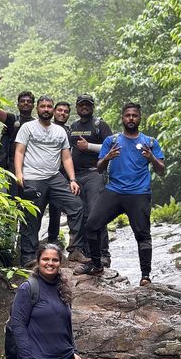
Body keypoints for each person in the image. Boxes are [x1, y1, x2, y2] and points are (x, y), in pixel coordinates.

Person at [83, 102, 165, 284]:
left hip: (139, 194)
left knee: (143, 235)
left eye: (134, 116)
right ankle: (96, 265)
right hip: (114, 191)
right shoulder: (111, 141)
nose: (131, 119)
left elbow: (161, 170)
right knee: (91, 225)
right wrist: (107, 158)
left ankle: (145, 276)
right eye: (127, 115)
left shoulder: (150, 142)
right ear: (122, 118)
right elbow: (99, 169)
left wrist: (151, 158)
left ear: (140, 118)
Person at [14, 95, 90, 266]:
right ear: (37, 109)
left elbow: (66, 157)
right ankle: (28, 256)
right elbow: (19, 151)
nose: (46, 109)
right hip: (33, 177)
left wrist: (72, 179)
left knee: (76, 205)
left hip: (54, 177)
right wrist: (19, 173)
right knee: (31, 216)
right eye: (43, 106)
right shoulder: (27, 128)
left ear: (53, 110)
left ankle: (76, 250)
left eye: (49, 106)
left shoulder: (60, 131)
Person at [69, 94, 113, 273]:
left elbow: (112, 147)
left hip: (95, 174)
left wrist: (90, 147)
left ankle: (104, 254)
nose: (84, 107)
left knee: (97, 214)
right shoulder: (73, 126)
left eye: (88, 105)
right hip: (76, 177)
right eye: (81, 105)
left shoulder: (100, 125)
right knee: (82, 214)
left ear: (92, 106)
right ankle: (87, 253)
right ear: (77, 107)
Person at [0, 75, 35, 197]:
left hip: (32, 166)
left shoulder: (37, 123)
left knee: (30, 199)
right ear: (18, 105)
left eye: (29, 101)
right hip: (12, 166)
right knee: (14, 198)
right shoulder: (12, 120)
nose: (26, 103)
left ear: (33, 106)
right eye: (22, 101)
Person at [47, 101, 71, 245]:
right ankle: (51, 241)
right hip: (45, 173)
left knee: (69, 208)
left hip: (66, 174)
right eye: (59, 110)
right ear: (54, 112)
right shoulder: (44, 127)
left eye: (66, 111)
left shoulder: (71, 130)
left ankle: (74, 246)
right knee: (51, 210)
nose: (62, 113)